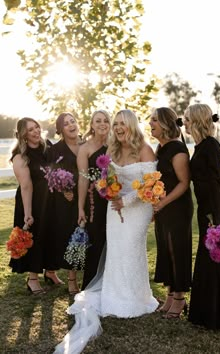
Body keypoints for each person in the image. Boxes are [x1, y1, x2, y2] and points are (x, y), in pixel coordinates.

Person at [54, 109, 158, 354]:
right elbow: (108, 179)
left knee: (132, 251)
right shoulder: (113, 150)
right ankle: (114, 296)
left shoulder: (144, 148)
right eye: (117, 124)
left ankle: (136, 297)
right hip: (114, 209)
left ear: (131, 125)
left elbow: (150, 182)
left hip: (136, 209)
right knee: (116, 254)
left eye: (122, 124)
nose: (119, 128)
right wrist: (108, 190)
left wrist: (127, 200)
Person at [183, 103, 220, 330]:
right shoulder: (199, 145)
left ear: (195, 120)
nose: (183, 121)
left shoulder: (211, 145)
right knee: (206, 256)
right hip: (206, 206)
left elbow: (214, 182)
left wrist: (214, 216)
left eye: (186, 118)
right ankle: (201, 313)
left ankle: (215, 316)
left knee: (214, 256)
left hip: (214, 206)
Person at [149, 107, 193, 318]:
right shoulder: (160, 148)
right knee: (165, 250)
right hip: (163, 207)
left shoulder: (177, 149)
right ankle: (169, 294)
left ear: (166, 124)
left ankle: (180, 298)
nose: (151, 123)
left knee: (177, 250)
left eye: (155, 120)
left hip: (177, 207)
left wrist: (163, 202)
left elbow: (184, 183)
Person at [9, 117, 51, 294]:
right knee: (35, 237)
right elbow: (26, 186)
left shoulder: (47, 147)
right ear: (23, 135)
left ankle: (51, 273)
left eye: (37, 127)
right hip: (31, 201)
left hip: (48, 200)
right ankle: (33, 279)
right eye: (31, 129)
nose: (36, 131)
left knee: (50, 235)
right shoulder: (20, 156)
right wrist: (28, 213)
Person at [43, 112, 82, 295]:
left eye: (73, 121)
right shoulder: (55, 149)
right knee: (67, 236)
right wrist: (63, 189)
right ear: (61, 130)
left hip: (85, 197)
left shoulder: (86, 145)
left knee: (82, 236)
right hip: (64, 201)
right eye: (66, 124)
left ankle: (76, 276)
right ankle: (67, 278)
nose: (71, 125)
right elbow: (50, 173)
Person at [77, 109, 111, 290]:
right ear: (92, 125)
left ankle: (112, 286)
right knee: (96, 241)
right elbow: (83, 178)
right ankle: (90, 286)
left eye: (105, 120)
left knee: (114, 242)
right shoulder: (85, 148)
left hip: (115, 200)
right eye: (98, 121)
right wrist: (80, 208)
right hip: (94, 203)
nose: (102, 124)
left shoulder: (116, 145)